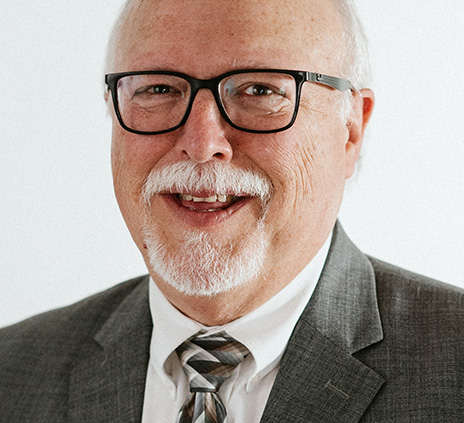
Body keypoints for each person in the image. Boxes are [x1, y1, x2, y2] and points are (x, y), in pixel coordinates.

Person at [1, 0, 463, 421]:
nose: (202, 145)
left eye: (260, 90)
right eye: (159, 88)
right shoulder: (14, 374)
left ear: (351, 130)